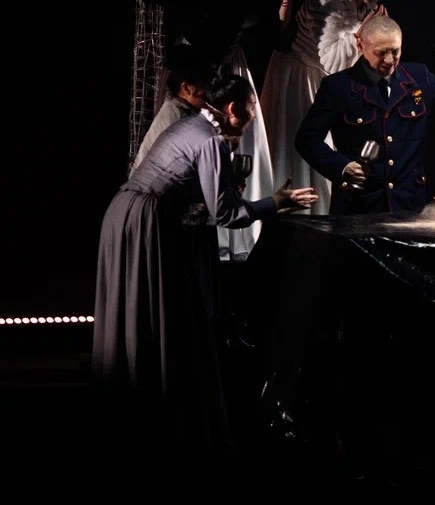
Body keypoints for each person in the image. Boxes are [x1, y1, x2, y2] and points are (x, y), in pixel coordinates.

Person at [92, 71, 318, 457]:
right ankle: (163, 422)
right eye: (250, 109)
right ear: (232, 109)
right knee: (160, 314)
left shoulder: (191, 125)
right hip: (146, 220)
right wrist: (276, 203)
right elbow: (227, 214)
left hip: (126, 214)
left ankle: (138, 414)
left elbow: (193, 192)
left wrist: (226, 189)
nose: (253, 117)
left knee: (142, 312)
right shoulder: (210, 139)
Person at [148, 0, 296, 260]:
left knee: (237, 142)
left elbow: (278, 39)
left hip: (229, 67)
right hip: (195, 71)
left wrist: (287, 1)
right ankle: (179, 227)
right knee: (191, 142)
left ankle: (231, 232)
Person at [294, 13, 435, 216]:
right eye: (380, 53)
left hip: (408, 205)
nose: (389, 60)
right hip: (359, 205)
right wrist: (342, 167)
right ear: (360, 46)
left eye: (395, 51)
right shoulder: (338, 86)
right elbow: (307, 140)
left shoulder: (419, 77)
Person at [259, 0, 384, 216]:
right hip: (299, 76)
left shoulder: (369, 1)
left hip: (320, 78)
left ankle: (319, 213)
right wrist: (364, 31)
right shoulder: (325, 3)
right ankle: (291, 212)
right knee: (297, 147)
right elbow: (332, 61)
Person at [131, 51, 214, 172]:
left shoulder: (179, 109)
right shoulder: (177, 118)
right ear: (186, 88)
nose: (207, 92)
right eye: (204, 86)